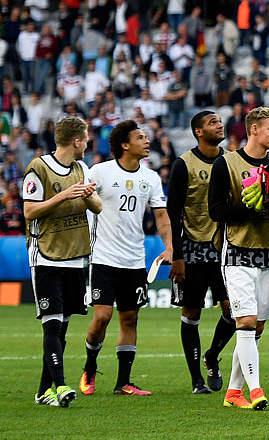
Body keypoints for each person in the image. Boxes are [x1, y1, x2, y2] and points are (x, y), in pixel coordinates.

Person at [207, 106, 269, 410]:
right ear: (253, 130)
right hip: (238, 250)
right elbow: (216, 212)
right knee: (244, 320)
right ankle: (256, 390)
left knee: (257, 327)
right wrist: (252, 205)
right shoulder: (226, 164)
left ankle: (234, 392)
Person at [79, 121, 171, 397]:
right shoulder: (100, 172)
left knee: (130, 318)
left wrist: (169, 247)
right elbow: (82, 202)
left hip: (134, 260)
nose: (147, 141)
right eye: (140, 137)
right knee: (103, 316)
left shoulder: (151, 178)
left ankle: (123, 382)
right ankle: (90, 367)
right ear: (124, 144)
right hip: (104, 258)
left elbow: (161, 216)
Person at [23, 116, 100, 408]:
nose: (89, 141)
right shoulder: (38, 168)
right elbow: (30, 212)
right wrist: (65, 194)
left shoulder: (83, 169)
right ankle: (61, 385)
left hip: (75, 256)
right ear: (77, 141)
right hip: (45, 256)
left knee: (62, 327)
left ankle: (44, 391)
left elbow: (98, 207)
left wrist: (89, 197)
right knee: (52, 326)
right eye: (86, 137)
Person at [168, 111, 237, 391]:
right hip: (192, 249)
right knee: (191, 313)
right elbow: (173, 212)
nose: (219, 125)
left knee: (233, 312)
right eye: (212, 123)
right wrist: (177, 255)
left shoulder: (231, 160)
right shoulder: (184, 164)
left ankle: (211, 355)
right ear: (198, 131)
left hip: (223, 248)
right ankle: (197, 380)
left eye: (220, 122)